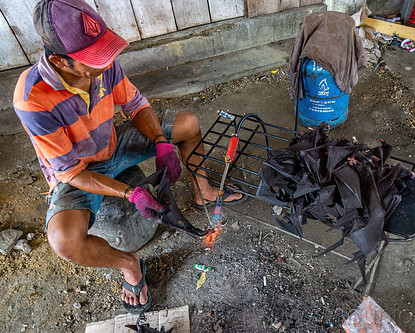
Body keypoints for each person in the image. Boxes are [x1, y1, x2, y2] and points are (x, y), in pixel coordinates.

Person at [13, 0, 244, 314]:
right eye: (94, 59)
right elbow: (70, 172)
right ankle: (130, 265)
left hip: (113, 145)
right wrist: (128, 192)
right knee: (64, 240)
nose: (106, 65)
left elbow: (135, 105)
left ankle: (204, 192)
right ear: (60, 61)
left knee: (187, 123)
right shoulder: (32, 98)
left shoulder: (103, 68)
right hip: (78, 170)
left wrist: (162, 142)